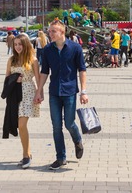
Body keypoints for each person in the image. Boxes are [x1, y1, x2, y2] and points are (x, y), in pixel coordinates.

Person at [35, 19, 88, 170]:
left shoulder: (75, 48)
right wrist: (39, 91)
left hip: (70, 91)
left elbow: (82, 70)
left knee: (69, 123)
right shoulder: (47, 50)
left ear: (62, 32)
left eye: (53, 31)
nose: (50, 34)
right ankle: (61, 157)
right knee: (56, 126)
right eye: (49, 31)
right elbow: (44, 72)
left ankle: (77, 140)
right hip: (54, 92)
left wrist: (83, 91)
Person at [6, 34, 40, 169]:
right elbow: (7, 78)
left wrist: (39, 93)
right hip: (15, 94)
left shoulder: (33, 60)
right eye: (15, 44)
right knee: (20, 126)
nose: (18, 47)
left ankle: (26, 155)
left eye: (20, 44)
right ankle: (27, 153)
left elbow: (38, 79)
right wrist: (13, 81)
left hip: (28, 93)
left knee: (21, 125)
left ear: (25, 45)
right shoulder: (11, 60)